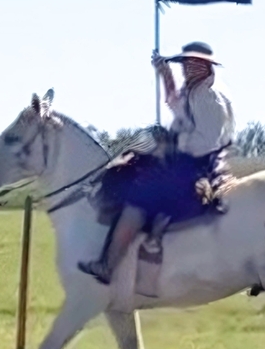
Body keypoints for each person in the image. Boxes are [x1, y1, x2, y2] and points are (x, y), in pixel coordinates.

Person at [79, 41, 236, 285]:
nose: (187, 69)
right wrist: (165, 74)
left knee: (138, 198)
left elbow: (206, 141)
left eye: (194, 64)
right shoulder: (194, 91)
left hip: (196, 164)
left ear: (207, 66)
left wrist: (172, 142)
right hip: (187, 159)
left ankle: (109, 264)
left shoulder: (209, 96)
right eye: (185, 64)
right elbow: (175, 104)